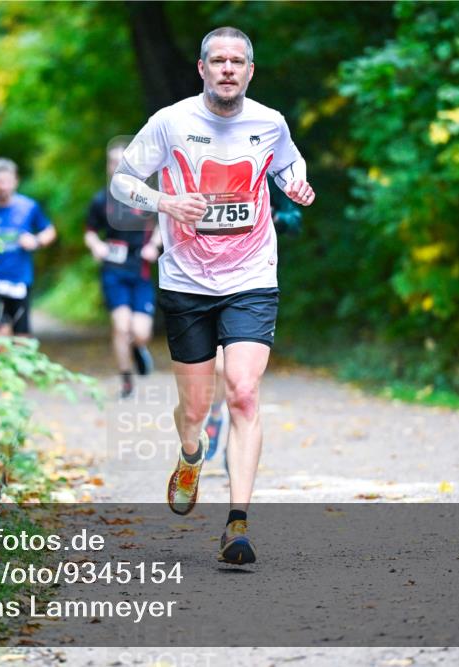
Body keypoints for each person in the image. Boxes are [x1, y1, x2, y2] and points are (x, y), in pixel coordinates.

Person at [110, 26, 316, 565]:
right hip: (187, 282)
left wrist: (296, 184)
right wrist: (165, 202)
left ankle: (237, 524)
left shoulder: (270, 123)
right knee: (196, 407)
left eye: (237, 61)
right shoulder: (171, 122)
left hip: (251, 276)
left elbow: (288, 165)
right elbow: (122, 181)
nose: (228, 69)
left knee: (243, 392)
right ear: (202, 68)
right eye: (218, 60)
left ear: (250, 71)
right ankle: (190, 453)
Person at [84, 142, 163, 398]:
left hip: (140, 271)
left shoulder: (146, 195)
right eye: (112, 162)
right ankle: (126, 379)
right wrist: (96, 245)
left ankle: (138, 348)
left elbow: (164, 224)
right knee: (121, 326)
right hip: (113, 271)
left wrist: (153, 245)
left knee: (140, 332)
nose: (116, 166)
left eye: (122, 161)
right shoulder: (101, 200)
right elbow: (90, 232)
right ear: (108, 167)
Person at [0, 158, 56, 337]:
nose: (2, 186)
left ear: (16, 181)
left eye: (6, 181)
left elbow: (49, 231)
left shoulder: (29, 207)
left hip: (20, 278)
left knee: (21, 336)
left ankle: (19, 355)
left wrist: (36, 241)